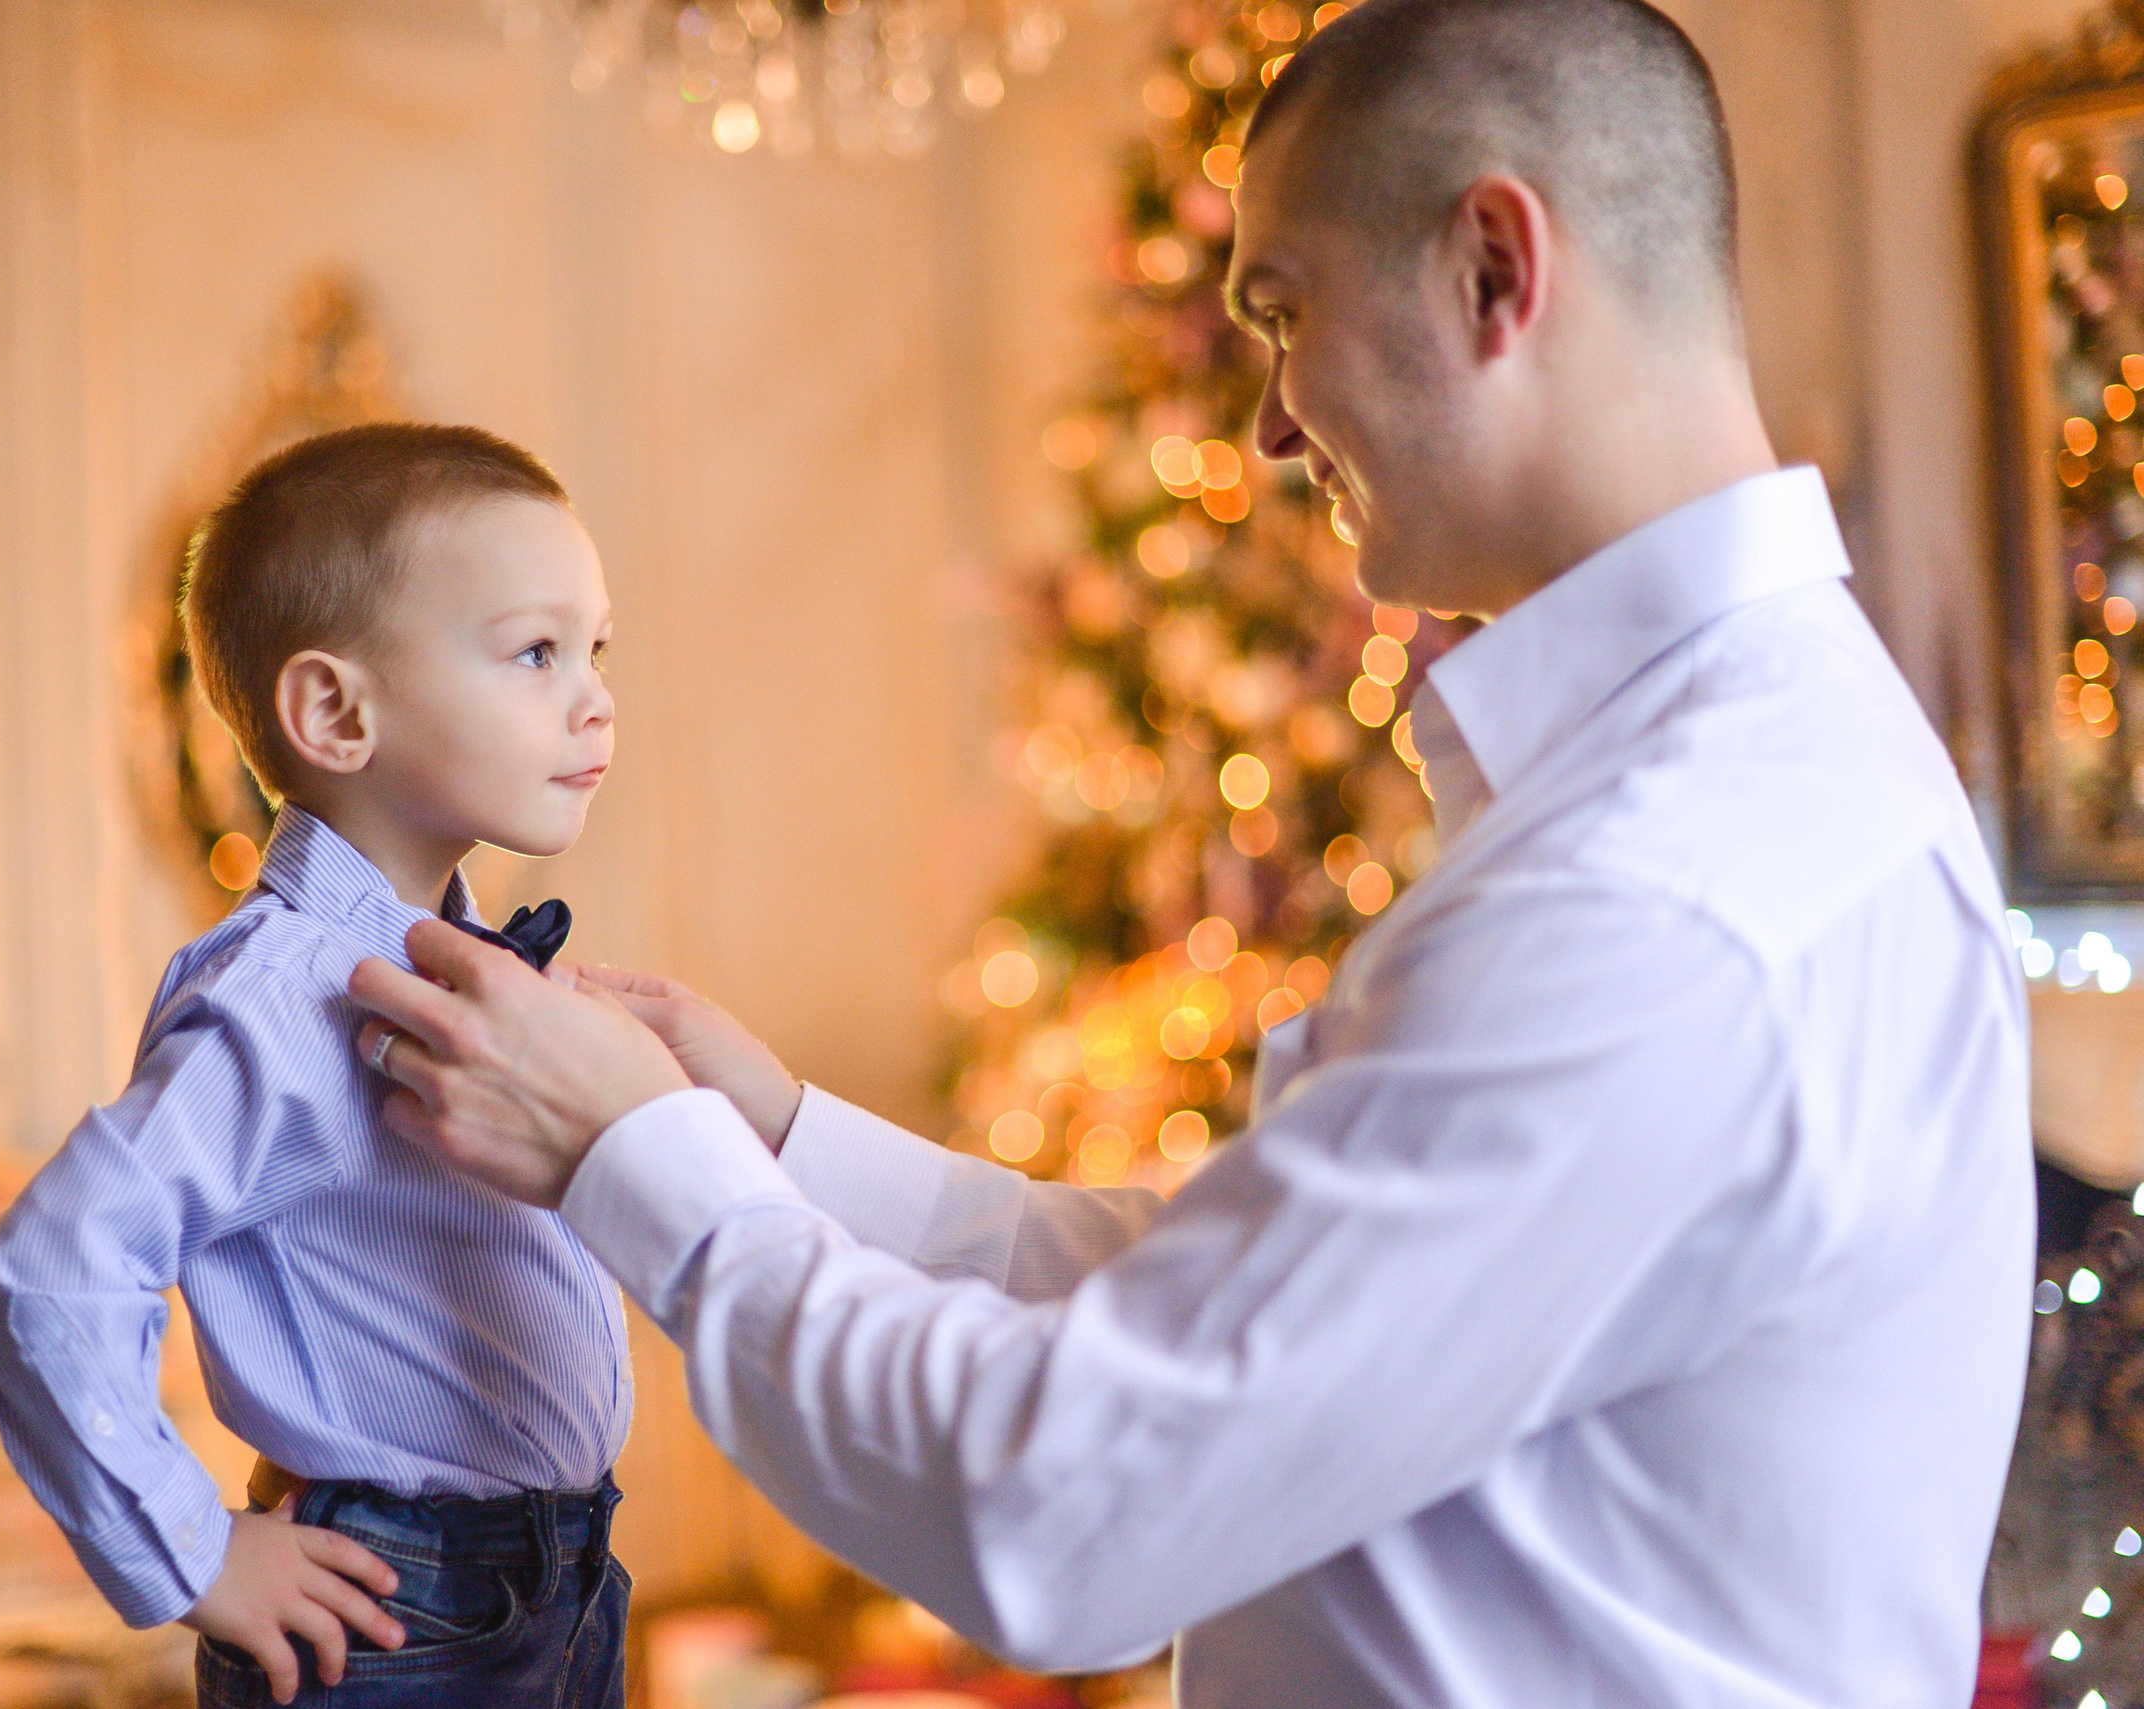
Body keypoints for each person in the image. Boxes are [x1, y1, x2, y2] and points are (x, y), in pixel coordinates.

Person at [343, 0, 2035, 1702]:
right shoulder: (1750, 774)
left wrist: (631, 1156)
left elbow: (1067, 1510)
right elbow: (1272, 1320)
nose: (1275, 426)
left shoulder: (1665, 885)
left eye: (1286, 314)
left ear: (1492, 272)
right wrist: (772, 1138)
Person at [0, 423, 632, 1709]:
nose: (595, 699)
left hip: (563, 1582)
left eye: (597, 648)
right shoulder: (278, 1002)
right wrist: (193, 1547)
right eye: (535, 651)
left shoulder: (477, 972)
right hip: (395, 1619)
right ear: (336, 711)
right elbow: (51, 1268)